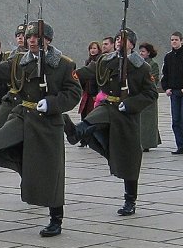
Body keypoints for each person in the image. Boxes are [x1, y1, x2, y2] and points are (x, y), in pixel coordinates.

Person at [0, 22, 82, 236]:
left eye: (37, 38)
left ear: (48, 41)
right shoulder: (18, 62)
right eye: (29, 37)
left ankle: (55, 219)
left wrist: (52, 103)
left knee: (52, 172)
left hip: (48, 123)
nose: (31, 41)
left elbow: (73, 93)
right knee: (1, 135)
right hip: (24, 113)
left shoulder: (63, 64)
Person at [64, 28, 158, 216]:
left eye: (123, 40)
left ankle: (130, 200)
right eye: (116, 39)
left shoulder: (141, 67)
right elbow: (85, 73)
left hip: (126, 114)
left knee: (130, 159)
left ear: (131, 44)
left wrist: (130, 104)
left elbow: (151, 93)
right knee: (92, 120)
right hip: (108, 106)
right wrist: (64, 75)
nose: (118, 43)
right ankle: (75, 133)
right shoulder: (106, 61)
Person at [139, 43, 162, 152]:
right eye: (140, 51)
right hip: (139, 95)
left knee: (148, 121)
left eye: (143, 51)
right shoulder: (139, 64)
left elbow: (154, 80)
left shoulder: (153, 65)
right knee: (142, 121)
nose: (141, 53)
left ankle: (147, 143)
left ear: (148, 52)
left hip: (148, 95)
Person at [77, 41, 101, 121]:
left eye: (94, 48)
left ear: (98, 49)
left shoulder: (100, 61)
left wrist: (95, 93)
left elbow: (94, 78)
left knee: (92, 113)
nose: (92, 50)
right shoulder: (88, 61)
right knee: (84, 113)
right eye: (91, 48)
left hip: (94, 93)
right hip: (87, 91)